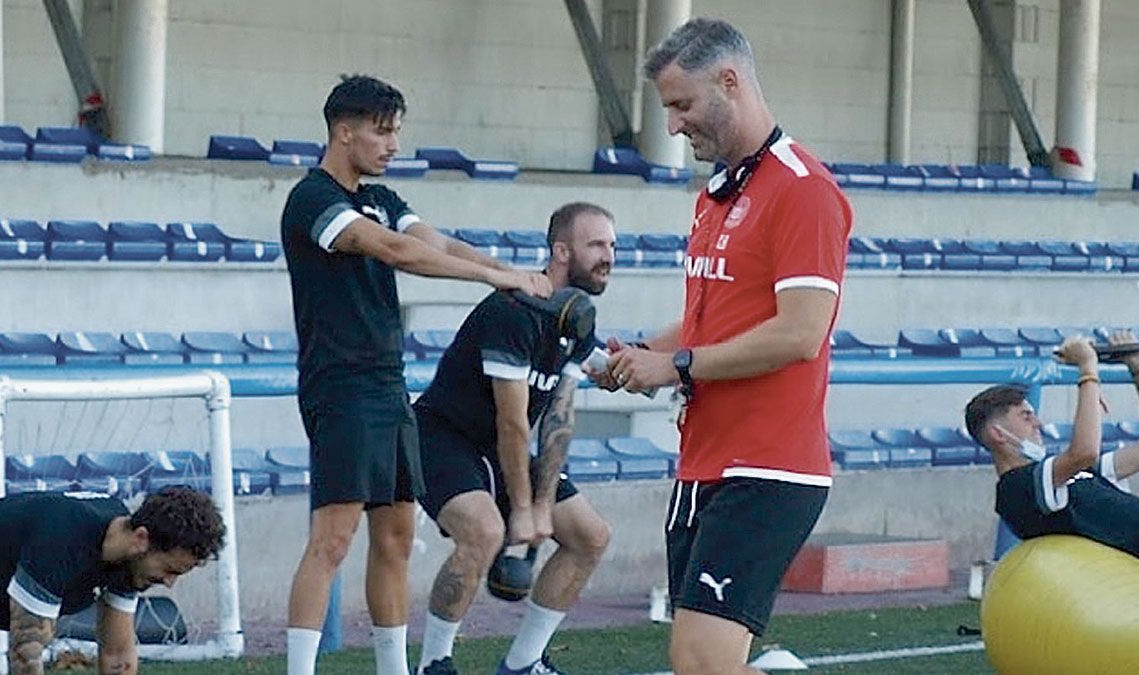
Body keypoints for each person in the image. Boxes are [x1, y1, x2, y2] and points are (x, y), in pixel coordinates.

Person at [600, 18, 853, 675]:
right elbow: (707, 322)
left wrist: (677, 363)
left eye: (682, 105)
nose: (675, 126)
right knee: (697, 664)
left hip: (769, 466)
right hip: (704, 458)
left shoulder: (804, 189)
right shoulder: (716, 194)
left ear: (730, 81)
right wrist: (639, 354)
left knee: (705, 662)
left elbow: (801, 332)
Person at [280, 74, 550, 675]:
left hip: (387, 385)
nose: (393, 143)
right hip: (341, 387)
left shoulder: (383, 199)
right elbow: (398, 253)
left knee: (397, 536)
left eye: (396, 130)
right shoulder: (313, 199)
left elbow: (436, 242)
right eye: (382, 131)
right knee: (333, 540)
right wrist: (495, 280)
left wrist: (517, 273)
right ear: (343, 132)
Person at [411, 202, 616, 675]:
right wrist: (524, 509)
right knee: (485, 532)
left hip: (497, 445)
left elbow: (559, 418)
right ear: (561, 251)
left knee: (590, 537)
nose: (609, 256)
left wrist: (544, 506)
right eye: (597, 245)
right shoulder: (514, 310)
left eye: (612, 244)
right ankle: (433, 664)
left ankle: (523, 664)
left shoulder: (574, 319)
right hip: (441, 436)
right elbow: (513, 422)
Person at [0, 487, 225, 675]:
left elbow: (118, 655)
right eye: (170, 570)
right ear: (141, 539)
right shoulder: (63, 538)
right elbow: (25, 656)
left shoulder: (126, 552)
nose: (169, 583)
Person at [965, 331, 1139, 565]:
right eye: (1026, 416)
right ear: (997, 433)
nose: (1038, 424)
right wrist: (1088, 370)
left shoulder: (1069, 472)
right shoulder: (1014, 490)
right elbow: (1085, 451)